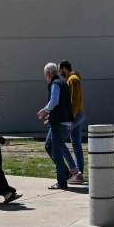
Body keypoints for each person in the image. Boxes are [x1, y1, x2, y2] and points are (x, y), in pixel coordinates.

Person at [37, 62, 72, 190]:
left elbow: (54, 101)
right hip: (59, 121)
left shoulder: (55, 84)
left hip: (59, 123)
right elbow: (64, 104)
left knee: (56, 151)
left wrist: (44, 110)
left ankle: (61, 181)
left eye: (45, 74)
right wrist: (50, 116)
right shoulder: (63, 83)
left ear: (48, 73)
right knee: (48, 145)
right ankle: (66, 172)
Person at [58, 60, 86, 183]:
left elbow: (73, 101)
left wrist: (70, 119)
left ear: (64, 69)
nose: (59, 73)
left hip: (76, 115)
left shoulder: (73, 79)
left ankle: (74, 170)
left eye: (60, 70)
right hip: (78, 115)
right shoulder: (72, 79)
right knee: (76, 144)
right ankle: (79, 174)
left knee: (59, 140)